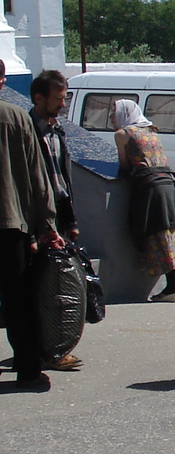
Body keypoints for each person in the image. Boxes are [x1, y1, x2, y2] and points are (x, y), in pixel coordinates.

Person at [0, 73, 64, 391]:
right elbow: (38, 175)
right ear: (2, 81)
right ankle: (27, 367)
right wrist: (47, 225)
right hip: (11, 225)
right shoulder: (15, 117)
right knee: (18, 299)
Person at [29, 70, 82, 371]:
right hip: (38, 219)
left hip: (59, 216)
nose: (62, 105)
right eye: (58, 99)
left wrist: (70, 218)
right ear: (39, 98)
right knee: (40, 288)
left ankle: (57, 346)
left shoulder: (56, 130)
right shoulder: (28, 130)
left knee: (60, 285)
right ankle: (42, 349)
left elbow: (63, 179)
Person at [112, 100, 175, 302]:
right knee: (170, 232)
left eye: (114, 113)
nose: (111, 118)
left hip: (148, 187)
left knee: (156, 235)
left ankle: (173, 288)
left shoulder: (123, 135)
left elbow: (124, 167)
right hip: (167, 185)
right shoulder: (151, 131)